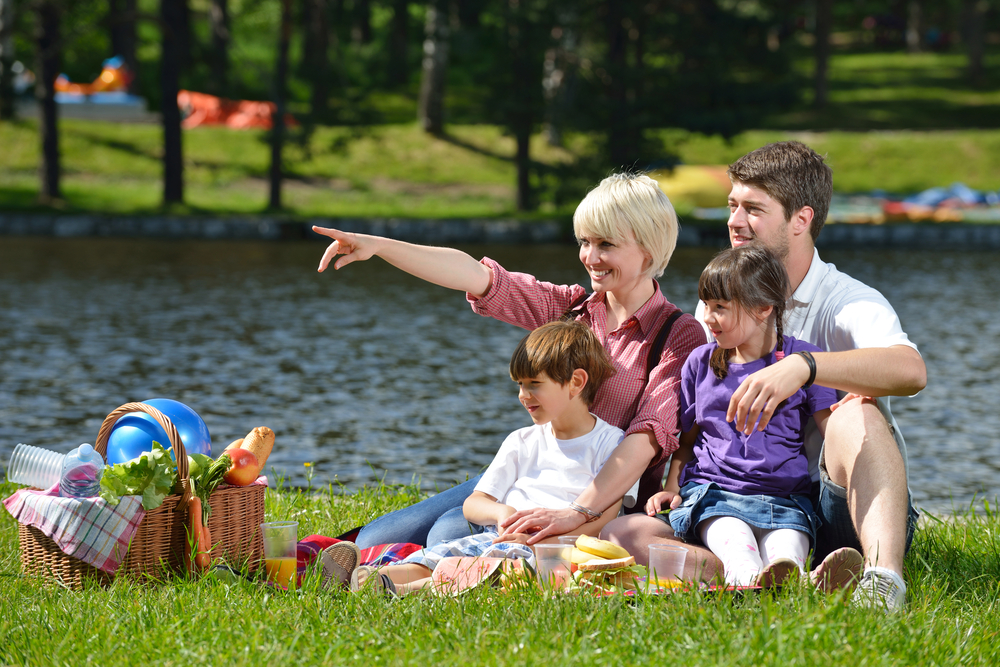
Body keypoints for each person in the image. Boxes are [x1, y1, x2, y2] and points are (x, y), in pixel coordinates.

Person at [313, 173, 708, 570]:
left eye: (606, 244)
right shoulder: (570, 310)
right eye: (585, 242)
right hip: (534, 474)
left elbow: (645, 439)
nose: (590, 256)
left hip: (603, 498)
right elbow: (479, 277)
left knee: (447, 533)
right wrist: (380, 246)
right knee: (373, 539)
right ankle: (378, 568)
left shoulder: (678, 334)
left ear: (648, 250)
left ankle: (405, 576)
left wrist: (577, 513)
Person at [605, 141, 925, 610]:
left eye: (753, 208)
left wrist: (804, 366)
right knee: (629, 532)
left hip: (836, 509)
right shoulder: (721, 301)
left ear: (801, 220)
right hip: (729, 498)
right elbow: (699, 417)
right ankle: (744, 573)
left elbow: (911, 370)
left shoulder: (849, 301)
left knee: (857, 410)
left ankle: (882, 579)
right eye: (732, 205)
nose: (735, 221)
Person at [343, 320, 639, 595]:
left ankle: (400, 590)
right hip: (496, 538)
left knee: (487, 571)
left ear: (576, 382)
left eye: (534, 384)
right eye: (519, 385)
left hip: (556, 552)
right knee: (434, 557)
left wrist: (541, 544)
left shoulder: (611, 443)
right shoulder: (521, 440)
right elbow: (474, 503)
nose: (523, 395)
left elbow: (604, 521)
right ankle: (361, 578)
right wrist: (501, 514)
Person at [644, 244, 843, 588]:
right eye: (707, 305)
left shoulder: (803, 361)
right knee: (737, 549)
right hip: (717, 495)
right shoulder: (700, 363)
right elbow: (688, 438)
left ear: (764, 308)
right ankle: (775, 584)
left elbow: (833, 430)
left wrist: (854, 410)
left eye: (720, 308)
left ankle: (797, 581)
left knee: (786, 556)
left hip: (786, 502)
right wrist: (672, 486)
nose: (707, 317)